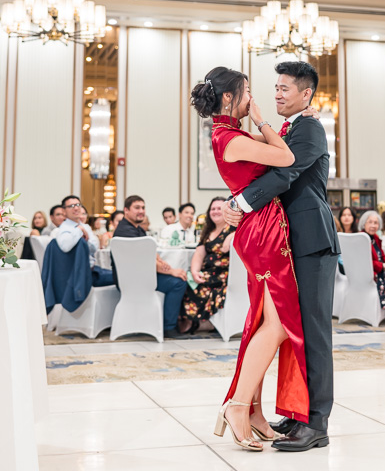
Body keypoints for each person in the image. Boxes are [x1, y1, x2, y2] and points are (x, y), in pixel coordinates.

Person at [210, 61, 340, 452]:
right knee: (287, 328)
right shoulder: (288, 129)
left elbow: (284, 175)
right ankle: (297, 412)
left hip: (311, 240)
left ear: (307, 95)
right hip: (282, 239)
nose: (278, 93)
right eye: (276, 87)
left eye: (286, 88)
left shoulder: (310, 129)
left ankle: (317, 422)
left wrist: (239, 204)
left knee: (313, 331)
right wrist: (238, 204)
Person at [112, 195, 187, 335]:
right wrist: (171, 272)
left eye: (143, 207)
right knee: (178, 283)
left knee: (178, 277)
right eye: (137, 208)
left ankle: (175, 322)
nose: (141, 211)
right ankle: (169, 327)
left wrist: (162, 263)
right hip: (134, 281)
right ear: (126, 210)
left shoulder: (136, 228)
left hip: (137, 278)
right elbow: (142, 261)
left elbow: (150, 253)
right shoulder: (125, 232)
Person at [179, 197, 235, 334]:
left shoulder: (234, 229)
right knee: (186, 280)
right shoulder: (208, 231)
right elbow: (199, 254)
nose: (215, 211)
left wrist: (234, 234)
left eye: (219, 208)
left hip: (224, 274)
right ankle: (193, 321)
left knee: (200, 285)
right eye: (213, 209)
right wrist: (194, 271)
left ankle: (197, 322)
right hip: (208, 272)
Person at [53, 195, 113, 285]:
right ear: (64, 211)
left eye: (78, 205)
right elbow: (65, 247)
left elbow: (94, 249)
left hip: (92, 269)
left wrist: (86, 238)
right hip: (78, 275)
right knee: (120, 277)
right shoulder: (63, 229)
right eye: (72, 206)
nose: (76, 208)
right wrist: (79, 231)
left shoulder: (86, 227)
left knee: (121, 275)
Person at [336, 206, 358, 274]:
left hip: (355, 265)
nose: (346, 217)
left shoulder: (358, 235)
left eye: (349, 215)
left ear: (353, 218)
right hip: (339, 267)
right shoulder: (336, 235)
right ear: (340, 217)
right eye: (344, 215)